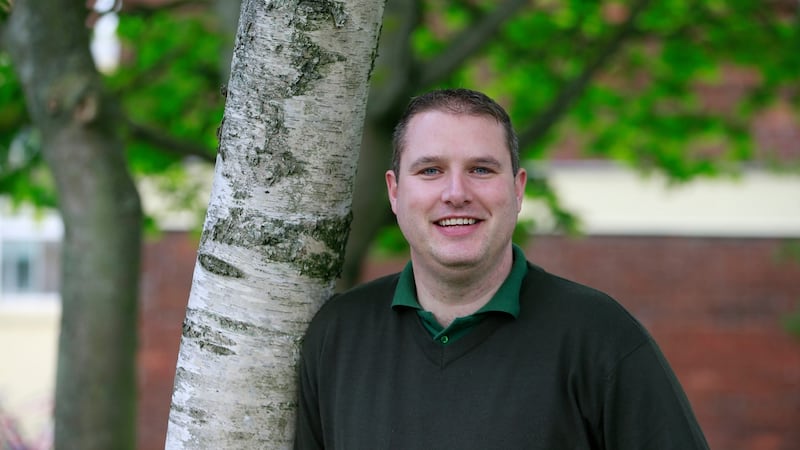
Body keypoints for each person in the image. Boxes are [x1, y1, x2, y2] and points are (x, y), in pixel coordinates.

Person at [294, 88, 709, 449]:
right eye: (431, 171)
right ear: (395, 191)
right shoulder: (337, 335)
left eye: (480, 169)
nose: (456, 193)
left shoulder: (599, 337)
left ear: (517, 188)